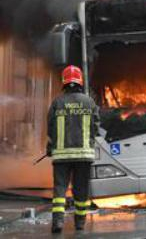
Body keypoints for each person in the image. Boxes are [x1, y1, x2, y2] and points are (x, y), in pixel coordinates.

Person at [47, 65, 99, 233]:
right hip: (84, 155)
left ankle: (58, 223)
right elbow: (96, 127)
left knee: (60, 188)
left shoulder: (57, 102)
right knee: (81, 189)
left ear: (64, 82)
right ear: (80, 82)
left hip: (61, 156)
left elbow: (50, 127)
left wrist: (51, 146)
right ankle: (80, 223)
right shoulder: (89, 102)